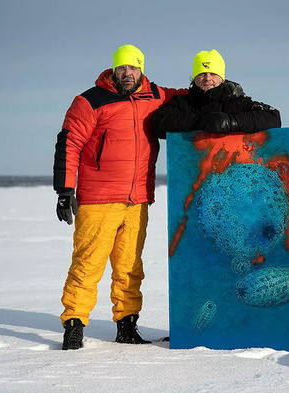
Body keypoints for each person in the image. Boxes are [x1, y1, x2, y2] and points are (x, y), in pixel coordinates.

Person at [52, 44, 184, 350]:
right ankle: (74, 325)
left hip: (137, 199)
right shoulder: (90, 100)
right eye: (121, 68)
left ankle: (127, 326)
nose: (127, 73)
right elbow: (69, 143)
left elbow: (195, 96)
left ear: (141, 69)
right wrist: (64, 190)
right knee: (87, 264)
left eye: (132, 68)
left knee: (129, 267)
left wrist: (224, 89)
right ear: (113, 70)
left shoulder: (156, 95)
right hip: (99, 198)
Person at [151, 49, 281, 137]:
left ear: (222, 78)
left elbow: (273, 117)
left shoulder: (237, 101)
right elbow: (158, 123)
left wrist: (230, 122)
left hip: (231, 171)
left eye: (213, 73)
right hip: (194, 173)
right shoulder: (182, 103)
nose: (207, 78)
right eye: (202, 74)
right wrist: (201, 122)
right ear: (194, 77)